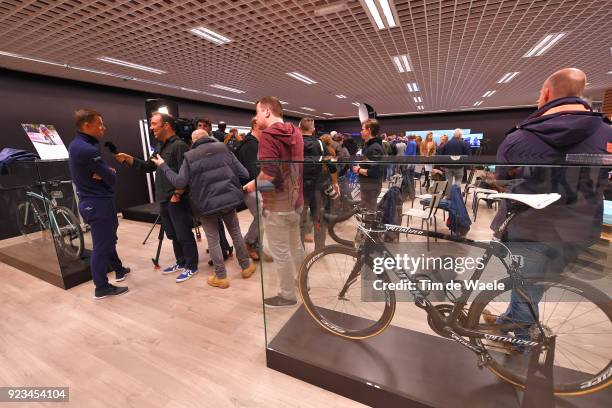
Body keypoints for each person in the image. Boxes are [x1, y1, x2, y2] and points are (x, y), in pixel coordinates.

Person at [490, 67, 611, 342]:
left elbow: (502, 180)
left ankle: (517, 339)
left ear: (546, 93)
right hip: (580, 228)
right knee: (534, 284)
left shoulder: (518, 138)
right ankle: (511, 319)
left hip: (529, 227)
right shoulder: (607, 133)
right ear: (580, 92)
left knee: (527, 286)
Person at [151, 129, 256, 289]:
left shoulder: (190, 156)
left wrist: (163, 166)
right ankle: (246, 267)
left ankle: (221, 277)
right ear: (209, 138)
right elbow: (244, 173)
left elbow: (180, 182)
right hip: (228, 200)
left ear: (193, 142)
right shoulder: (224, 148)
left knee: (212, 239)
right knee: (235, 232)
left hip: (205, 205)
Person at [114, 112, 199, 283]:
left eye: (154, 124)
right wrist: (128, 159)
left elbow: (186, 174)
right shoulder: (160, 146)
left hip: (176, 199)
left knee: (183, 233)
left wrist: (177, 194)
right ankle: (181, 261)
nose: (151, 128)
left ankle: (191, 266)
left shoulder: (180, 146)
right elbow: (147, 166)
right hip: (163, 198)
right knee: (173, 234)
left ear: (166, 125)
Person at [244, 96, 304, 308]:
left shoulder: (269, 135)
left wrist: (252, 185)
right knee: (295, 245)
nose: (256, 116)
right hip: (296, 200)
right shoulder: (295, 131)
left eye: (258, 112)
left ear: (267, 112)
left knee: (281, 252)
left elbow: (268, 175)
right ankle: (302, 282)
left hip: (278, 204)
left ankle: (287, 295)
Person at [68, 109, 129, 299]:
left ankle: (118, 269)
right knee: (102, 245)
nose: (104, 127)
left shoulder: (79, 145)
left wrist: (102, 173)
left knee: (108, 239)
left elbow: (103, 174)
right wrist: (107, 172)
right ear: (87, 125)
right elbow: (111, 177)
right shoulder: (86, 149)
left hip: (96, 201)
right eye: (100, 124)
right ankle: (101, 287)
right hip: (97, 203)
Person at [193, 117, 234, 261]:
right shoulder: (195, 146)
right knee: (216, 227)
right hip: (207, 192)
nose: (201, 128)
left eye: (204, 126)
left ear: (210, 128)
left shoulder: (216, 144)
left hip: (217, 191)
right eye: (199, 125)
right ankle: (222, 249)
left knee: (218, 226)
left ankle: (222, 251)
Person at [300, 118, 338, 251]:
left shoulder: (295, 143)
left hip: (300, 189)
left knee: (301, 220)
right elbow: (331, 165)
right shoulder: (320, 144)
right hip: (318, 188)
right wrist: (334, 182)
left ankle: (300, 251)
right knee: (319, 220)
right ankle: (319, 250)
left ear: (300, 128)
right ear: (313, 130)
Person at [238, 118, 266, 261]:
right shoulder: (250, 144)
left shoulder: (256, 143)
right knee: (261, 215)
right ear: (255, 125)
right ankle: (249, 243)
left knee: (264, 215)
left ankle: (256, 246)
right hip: (250, 187)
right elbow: (251, 172)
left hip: (257, 184)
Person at [352, 119, 384, 210]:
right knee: (367, 211)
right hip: (368, 185)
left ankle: (370, 224)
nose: (360, 131)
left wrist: (358, 170)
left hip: (371, 186)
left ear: (369, 130)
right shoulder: (370, 145)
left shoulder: (374, 148)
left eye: (362, 129)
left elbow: (376, 171)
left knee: (369, 212)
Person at [439, 128, 471, 197]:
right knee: (458, 182)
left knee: (448, 183)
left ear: (453, 135)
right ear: (460, 135)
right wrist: (467, 166)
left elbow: (441, 154)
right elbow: (468, 156)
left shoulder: (446, 143)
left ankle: (448, 197)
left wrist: (442, 165)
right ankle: (456, 198)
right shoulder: (464, 144)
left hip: (448, 167)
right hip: (459, 167)